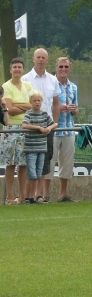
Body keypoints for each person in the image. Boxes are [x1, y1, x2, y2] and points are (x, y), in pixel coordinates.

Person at [22, 48, 60, 202]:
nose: (40, 60)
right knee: (28, 163)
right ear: (33, 59)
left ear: (47, 60)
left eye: (43, 57)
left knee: (44, 161)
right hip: (31, 127)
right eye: (38, 57)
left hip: (47, 127)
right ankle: (26, 195)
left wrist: (54, 122)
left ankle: (38, 194)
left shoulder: (53, 79)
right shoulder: (25, 79)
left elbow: (56, 104)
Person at [2, 57, 32, 204]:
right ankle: (9, 196)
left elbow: (33, 105)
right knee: (10, 162)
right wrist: (24, 106)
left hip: (26, 127)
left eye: (19, 67)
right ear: (10, 70)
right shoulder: (6, 86)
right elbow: (10, 110)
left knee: (23, 163)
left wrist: (17, 105)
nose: (17, 70)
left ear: (23, 69)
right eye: (15, 67)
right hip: (11, 128)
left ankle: (21, 196)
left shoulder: (27, 86)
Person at [21, 90, 57, 204]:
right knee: (31, 173)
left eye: (39, 100)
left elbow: (54, 123)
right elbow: (24, 125)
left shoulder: (44, 114)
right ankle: (27, 197)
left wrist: (49, 128)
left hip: (42, 148)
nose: (37, 103)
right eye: (34, 101)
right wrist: (38, 128)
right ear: (30, 102)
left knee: (38, 173)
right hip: (31, 149)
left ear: (42, 102)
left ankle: (33, 196)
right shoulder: (28, 114)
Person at [52, 57, 79, 202]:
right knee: (50, 161)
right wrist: (57, 108)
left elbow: (77, 109)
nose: (63, 69)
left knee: (67, 163)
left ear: (70, 68)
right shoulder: (51, 84)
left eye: (66, 67)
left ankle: (62, 194)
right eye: (61, 66)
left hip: (69, 129)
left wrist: (74, 110)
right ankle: (44, 194)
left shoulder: (73, 87)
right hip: (54, 128)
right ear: (56, 68)